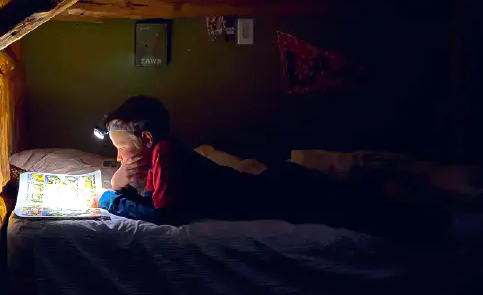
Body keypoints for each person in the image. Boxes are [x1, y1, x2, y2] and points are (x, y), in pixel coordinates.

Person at [97, 96, 452, 244]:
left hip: (268, 195)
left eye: (120, 147)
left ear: (145, 139)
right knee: (339, 199)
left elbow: (165, 214)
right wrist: (122, 183)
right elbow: (160, 197)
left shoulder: (166, 155)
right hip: (268, 187)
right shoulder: (163, 152)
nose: (118, 156)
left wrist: (113, 198)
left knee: (348, 209)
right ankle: (412, 204)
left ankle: (428, 217)